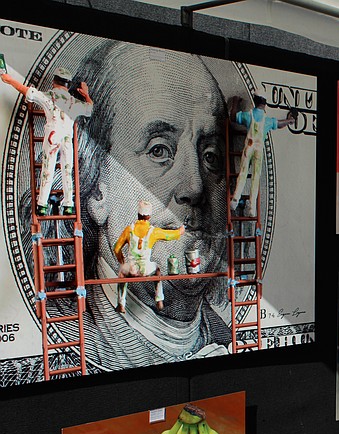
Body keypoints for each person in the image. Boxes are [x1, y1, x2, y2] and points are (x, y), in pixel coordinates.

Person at [20, 39, 236, 371]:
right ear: (96, 191)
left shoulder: (226, 336)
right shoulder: (71, 345)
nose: (195, 185)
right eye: (159, 150)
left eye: (211, 156)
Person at [1, 66, 93, 216]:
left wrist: (10, 79)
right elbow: (89, 109)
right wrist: (86, 94)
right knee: (67, 169)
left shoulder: (49, 96)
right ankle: (69, 204)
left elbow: (28, 91)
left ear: (54, 82)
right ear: (68, 85)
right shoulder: (74, 102)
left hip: (53, 135)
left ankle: (42, 204)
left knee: (48, 168)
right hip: (67, 138)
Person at [229, 94, 295, 217]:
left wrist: (235, 102)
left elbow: (233, 116)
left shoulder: (249, 115)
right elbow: (279, 124)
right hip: (258, 151)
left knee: (243, 173)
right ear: (264, 103)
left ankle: (235, 199)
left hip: (248, 147)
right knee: (255, 177)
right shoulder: (267, 120)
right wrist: (289, 121)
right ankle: (251, 206)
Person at [113, 200, 185, 313]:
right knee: (157, 270)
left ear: (138, 214)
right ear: (149, 216)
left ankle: (121, 303)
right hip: (145, 269)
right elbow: (169, 235)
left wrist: (122, 261)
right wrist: (180, 231)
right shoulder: (153, 232)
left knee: (122, 273)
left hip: (132, 269)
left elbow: (116, 248)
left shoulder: (129, 230)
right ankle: (159, 299)